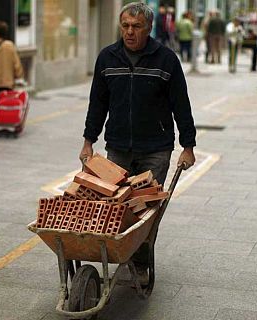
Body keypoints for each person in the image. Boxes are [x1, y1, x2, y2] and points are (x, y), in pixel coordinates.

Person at [79, 2, 196, 282]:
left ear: (149, 28)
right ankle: (119, 253)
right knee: (115, 207)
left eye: (136, 26)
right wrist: (88, 140)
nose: (129, 32)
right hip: (117, 148)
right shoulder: (107, 58)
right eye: (125, 26)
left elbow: (181, 105)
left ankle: (141, 262)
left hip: (156, 148)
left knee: (145, 212)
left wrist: (188, 146)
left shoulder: (166, 60)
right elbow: (98, 103)